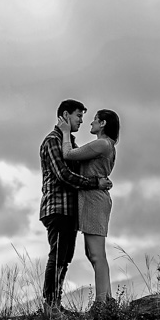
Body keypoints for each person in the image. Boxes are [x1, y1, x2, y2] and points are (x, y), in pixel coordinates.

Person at [39, 100, 113, 308]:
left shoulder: (68, 141)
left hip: (70, 209)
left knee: (65, 257)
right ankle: (51, 305)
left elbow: (80, 163)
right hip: (57, 206)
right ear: (65, 115)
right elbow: (64, 175)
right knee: (58, 255)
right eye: (78, 116)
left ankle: (55, 304)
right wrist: (95, 182)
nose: (82, 121)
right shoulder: (53, 141)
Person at [61, 108, 120, 304]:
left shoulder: (102, 143)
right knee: (93, 253)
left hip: (95, 200)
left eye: (95, 120)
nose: (90, 123)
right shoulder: (105, 145)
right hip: (92, 199)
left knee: (96, 253)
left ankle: (102, 303)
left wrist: (65, 132)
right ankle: (107, 299)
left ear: (103, 124)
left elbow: (69, 154)